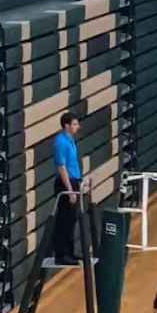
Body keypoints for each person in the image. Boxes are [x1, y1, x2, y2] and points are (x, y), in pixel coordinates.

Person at [52, 112, 88, 266]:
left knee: (72, 219)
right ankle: (61, 255)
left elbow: (73, 164)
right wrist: (70, 190)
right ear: (66, 125)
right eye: (74, 124)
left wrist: (80, 181)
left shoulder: (71, 140)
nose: (78, 127)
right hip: (65, 183)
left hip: (74, 181)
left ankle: (70, 252)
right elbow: (61, 167)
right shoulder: (60, 142)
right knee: (64, 220)